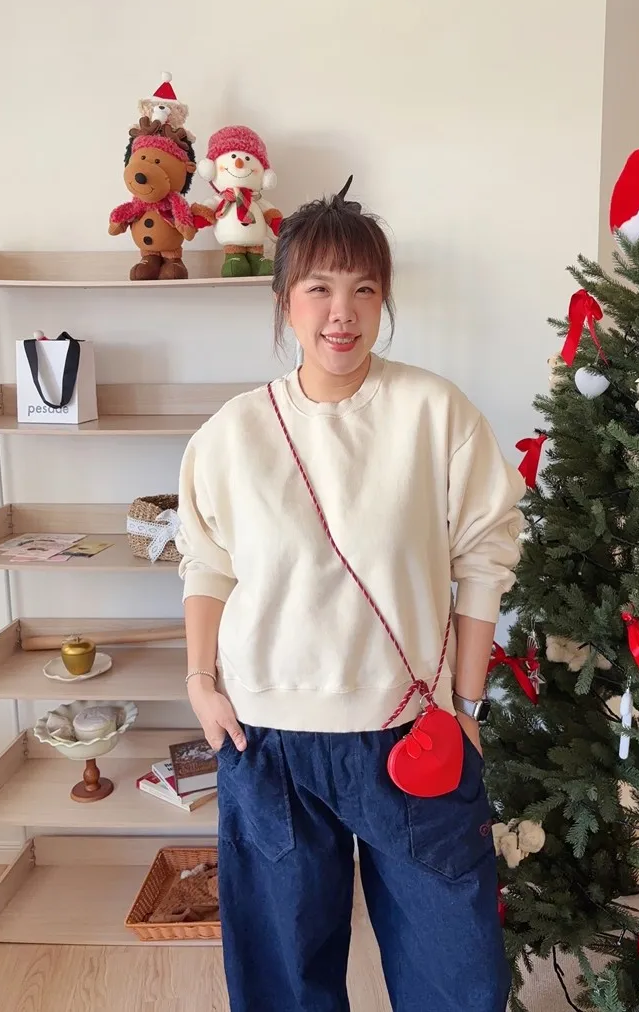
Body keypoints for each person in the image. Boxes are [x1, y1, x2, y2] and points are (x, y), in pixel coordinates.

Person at [175, 178, 526, 1012]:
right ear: (284, 301)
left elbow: (485, 557)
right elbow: (207, 564)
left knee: (454, 974)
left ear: (384, 300)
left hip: (410, 730)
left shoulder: (435, 413)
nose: (343, 313)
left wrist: (467, 703)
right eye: (320, 288)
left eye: (365, 289)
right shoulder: (232, 433)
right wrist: (199, 682)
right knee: (284, 980)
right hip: (268, 739)